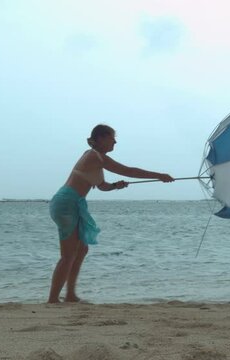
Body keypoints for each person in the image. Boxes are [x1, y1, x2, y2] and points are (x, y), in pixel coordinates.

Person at [48, 124, 174, 303]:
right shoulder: (93, 156)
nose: (115, 141)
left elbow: (102, 186)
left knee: (81, 249)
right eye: (111, 138)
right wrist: (159, 175)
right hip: (67, 203)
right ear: (99, 138)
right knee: (68, 254)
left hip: (73, 203)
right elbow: (129, 170)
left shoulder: (97, 160)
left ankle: (70, 295)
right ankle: (52, 299)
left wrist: (116, 186)